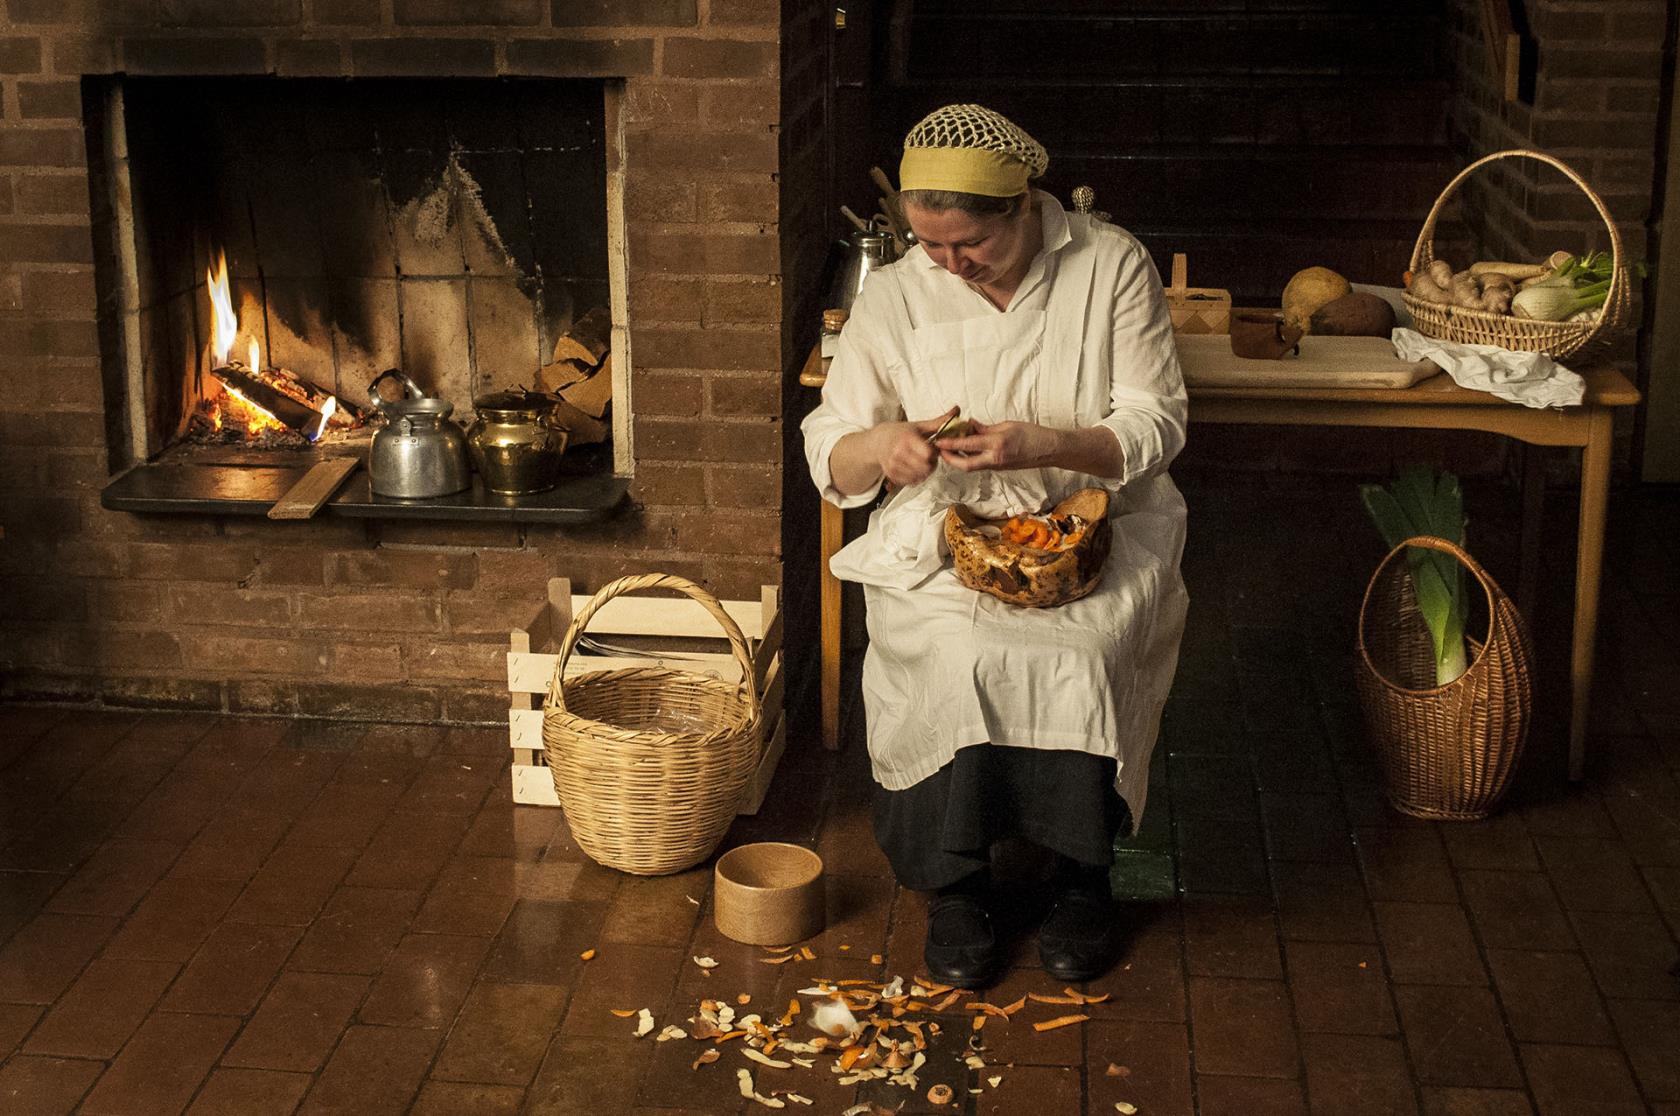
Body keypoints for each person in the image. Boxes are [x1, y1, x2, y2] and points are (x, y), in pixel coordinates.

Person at [801, 104, 1189, 988]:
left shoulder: (1108, 262)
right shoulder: (899, 290)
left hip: (1093, 520)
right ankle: (958, 886)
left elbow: (1158, 421)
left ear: (1027, 208)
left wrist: (1043, 444)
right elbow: (833, 435)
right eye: (929, 246)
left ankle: (1083, 880)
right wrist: (885, 449)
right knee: (958, 649)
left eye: (968, 244)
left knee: (1085, 653)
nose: (948, 264)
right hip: (945, 528)